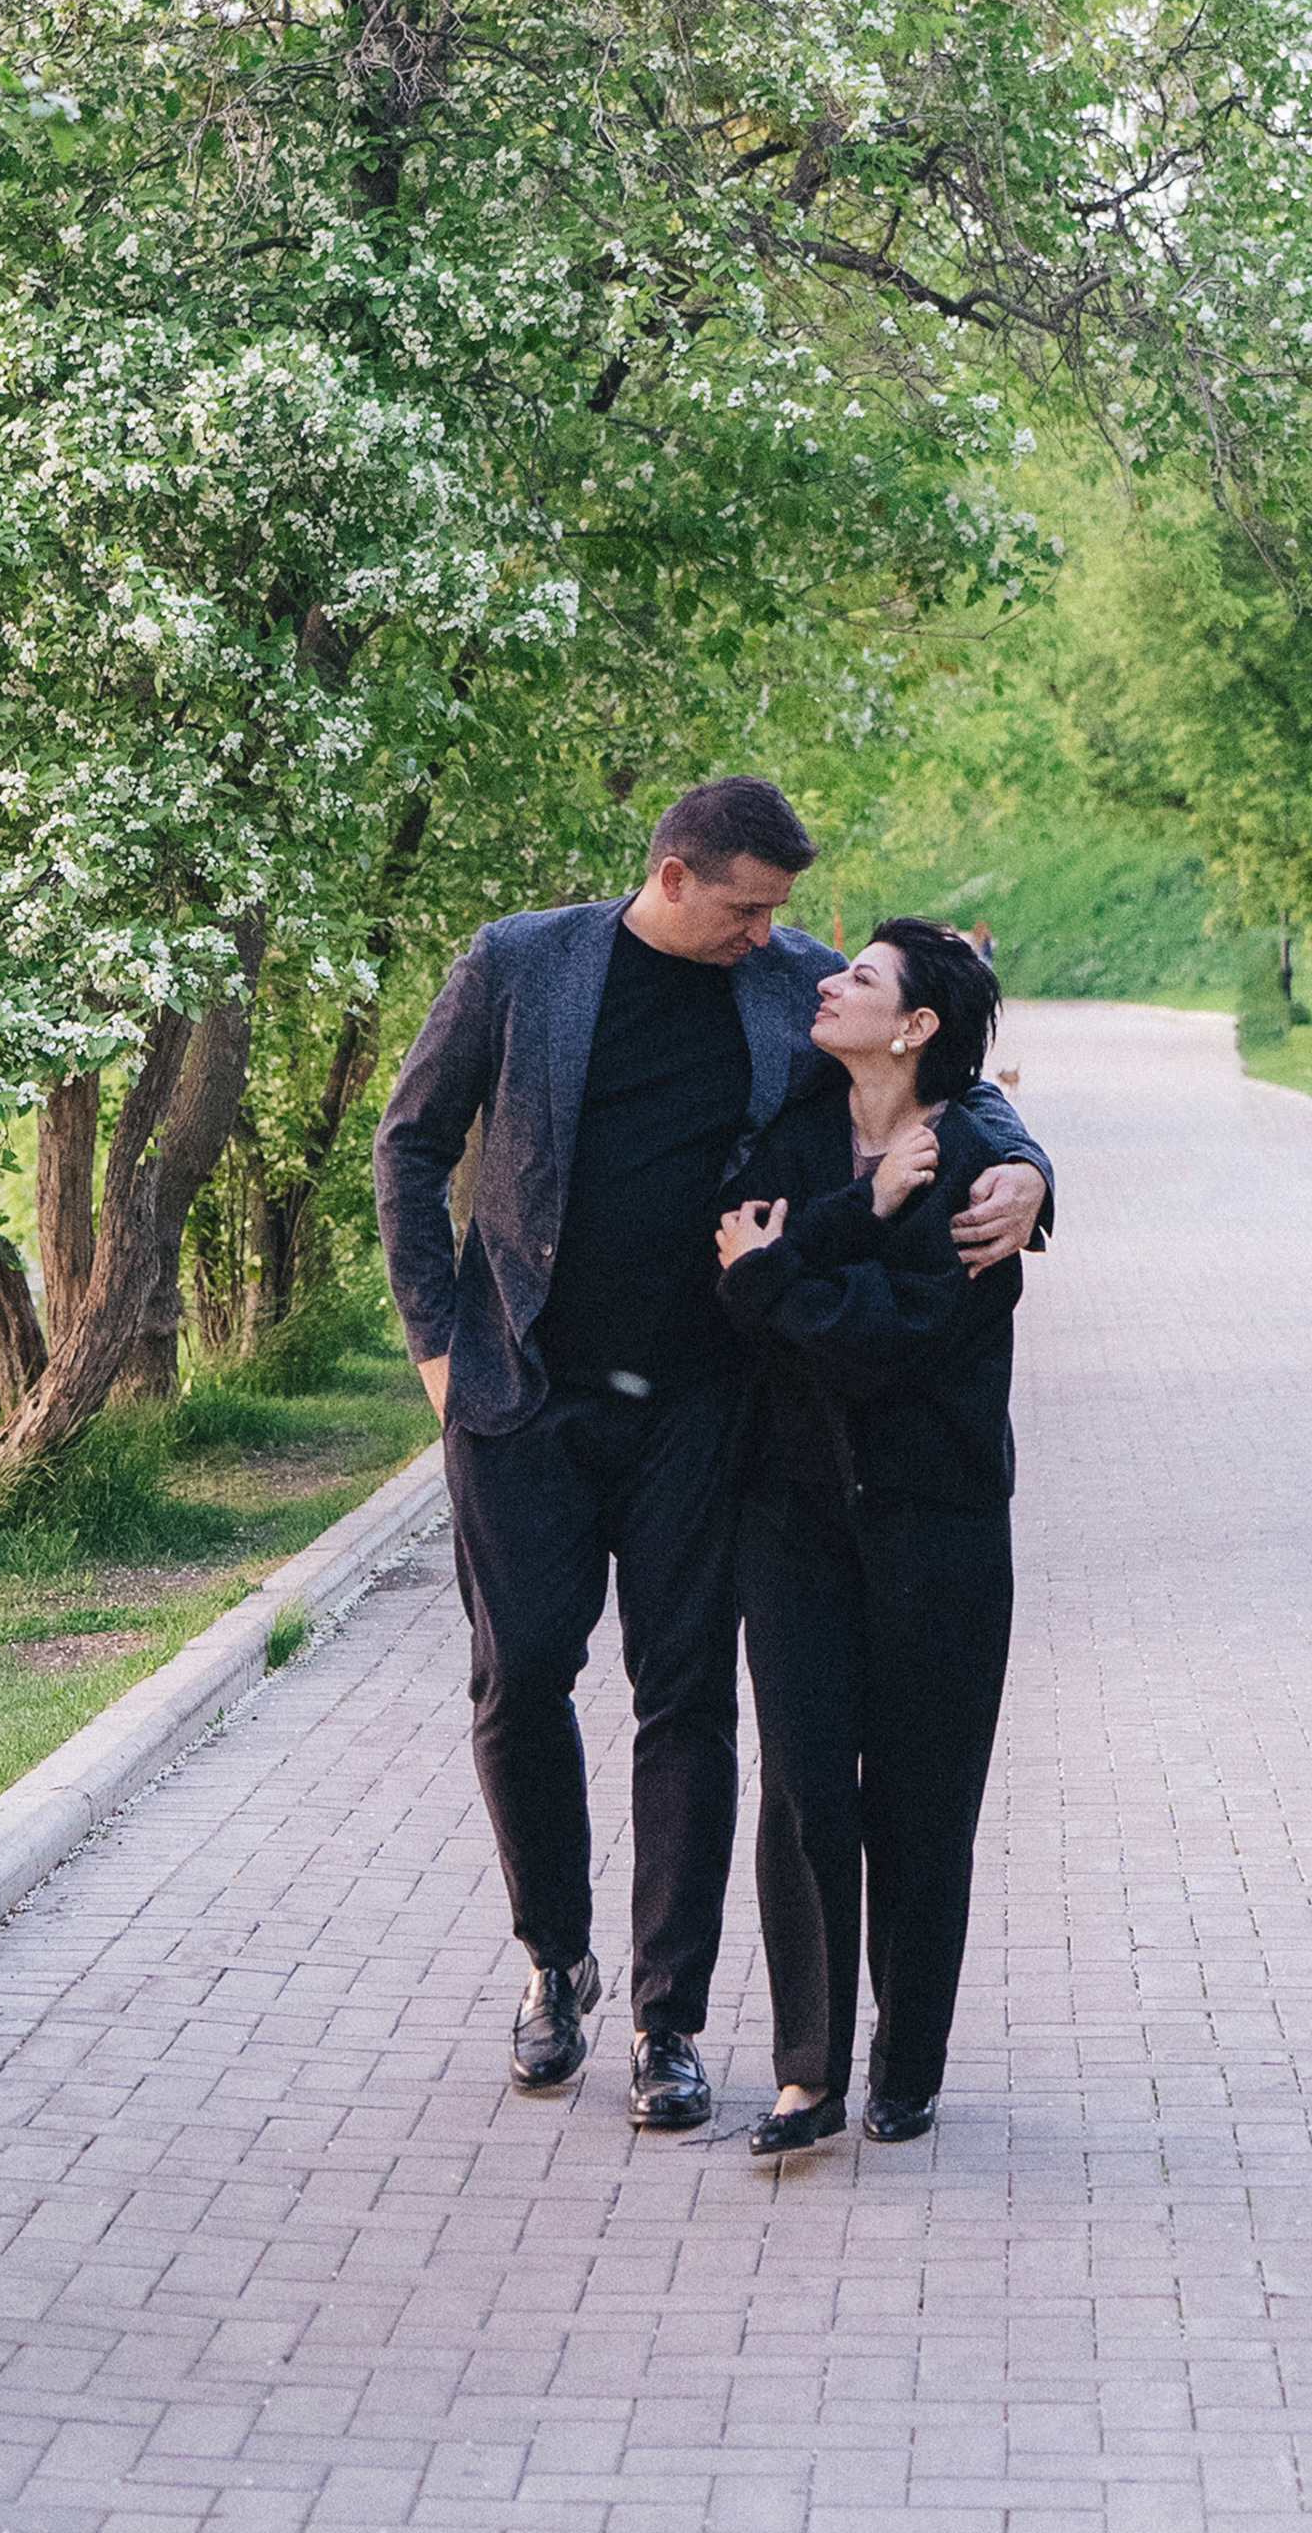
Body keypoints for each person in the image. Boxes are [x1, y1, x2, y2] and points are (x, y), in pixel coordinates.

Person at [372, 780, 1054, 2128]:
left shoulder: (784, 977)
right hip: (523, 1393)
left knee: (686, 1697)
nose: (773, 938)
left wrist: (1031, 1171)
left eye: (783, 917)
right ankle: (553, 1958)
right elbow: (410, 1143)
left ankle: (662, 2020)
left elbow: (946, 1066)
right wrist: (439, 1353)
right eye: (749, 908)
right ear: (678, 878)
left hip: (701, 1404)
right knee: (520, 1678)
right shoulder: (522, 965)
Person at [715, 919, 1020, 2155]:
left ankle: (906, 2065)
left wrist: (773, 1280)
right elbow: (725, 1267)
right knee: (798, 1791)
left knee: (920, 1798)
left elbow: (899, 1334)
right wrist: (837, 1221)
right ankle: (804, 2075)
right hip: (788, 1518)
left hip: (935, 1523)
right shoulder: (791, 1125)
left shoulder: (979, 1171)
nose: (825, 984)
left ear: (915, 1027)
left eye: (859, 978)